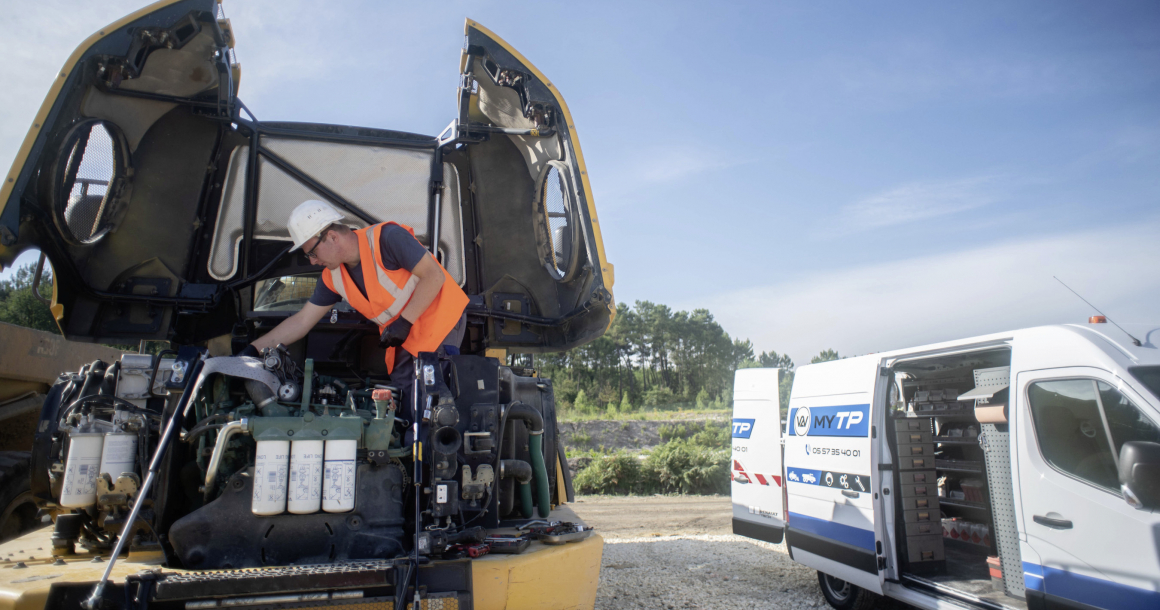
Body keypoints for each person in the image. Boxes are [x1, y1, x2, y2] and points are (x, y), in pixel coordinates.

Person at [245, 199, 469, 396]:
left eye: (312, 253)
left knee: (434, 406)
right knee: (407, 411)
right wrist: (253, 350)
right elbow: (302, 321)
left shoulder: (387, 238)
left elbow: (434, 276)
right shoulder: (332, 277)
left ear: (331, 237)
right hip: (405, 338)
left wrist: (404, 322)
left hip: (439, 323)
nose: (312, 261)